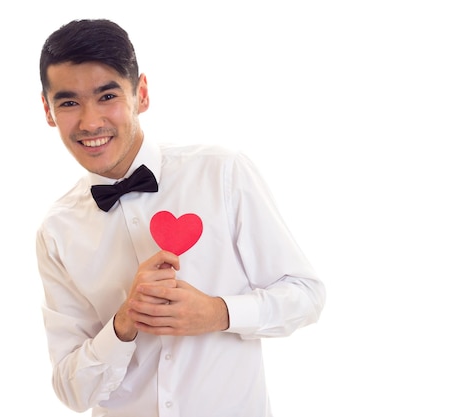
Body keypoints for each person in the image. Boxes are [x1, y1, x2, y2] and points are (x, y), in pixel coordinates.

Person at [35, 19, 326, 417]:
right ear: (48, 111)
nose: (89, 122)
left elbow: (306, 297)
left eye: (107, 96)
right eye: (69, 102)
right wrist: (123, 324)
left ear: (142, 94)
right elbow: (72, 390)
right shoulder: (57, 232)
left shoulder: (222, 172)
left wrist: (218, 312)